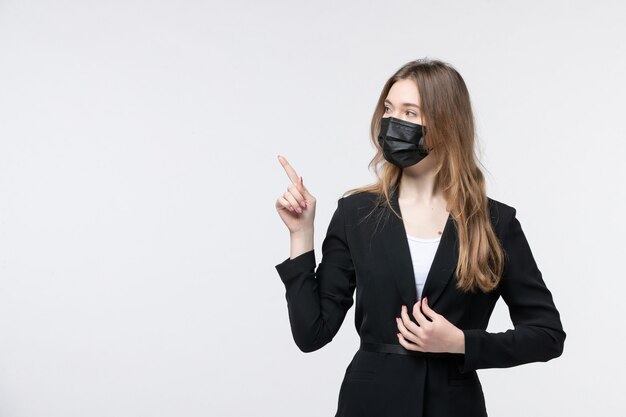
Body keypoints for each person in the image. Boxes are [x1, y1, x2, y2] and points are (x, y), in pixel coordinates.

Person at [274, 58, 566, 417]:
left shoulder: (494, 222)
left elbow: (547, 334)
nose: (393, 122)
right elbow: (311, 334)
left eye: (410, 113)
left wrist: (461, 343)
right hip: (369, 404)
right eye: (388, 109)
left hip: (454, 406)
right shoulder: (357, 214)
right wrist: (301, 235)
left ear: (446, 123)